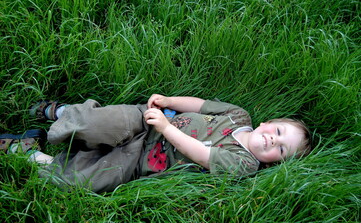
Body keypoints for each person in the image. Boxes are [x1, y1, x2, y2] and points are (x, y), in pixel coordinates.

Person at [0, 94, 311, 193]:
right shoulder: (237, 115)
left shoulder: (244, 164)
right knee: (98, 124)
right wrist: (169, 102)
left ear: (274, 161)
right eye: (279, 131)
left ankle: (31, 153)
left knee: (84, 179)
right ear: (268, 123)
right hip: (145, 120)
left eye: (281, 148)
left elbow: (200, 153)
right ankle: (62, 115)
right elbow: (200, 105)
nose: (274, 140)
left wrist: (166, 128)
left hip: (143, 162)